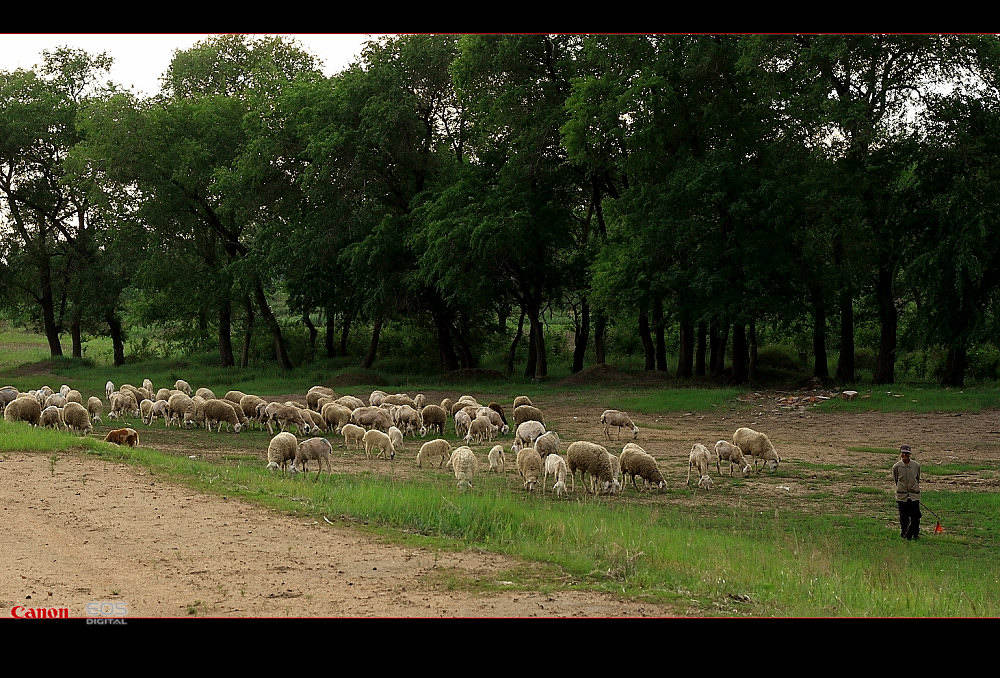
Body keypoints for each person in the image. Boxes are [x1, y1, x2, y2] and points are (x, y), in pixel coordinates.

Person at [892, 444, 921, 540]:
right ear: (900, 454)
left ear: (910, 455)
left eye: (907, 454)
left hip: (914, 495)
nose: (905, 456)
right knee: (903, 518)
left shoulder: (916, 465)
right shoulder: (896, 466)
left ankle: (915, 534)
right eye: (903, 454)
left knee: (916, 517)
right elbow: (896, 480)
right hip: (902, 496)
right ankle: (904, 534)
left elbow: (917, 478)